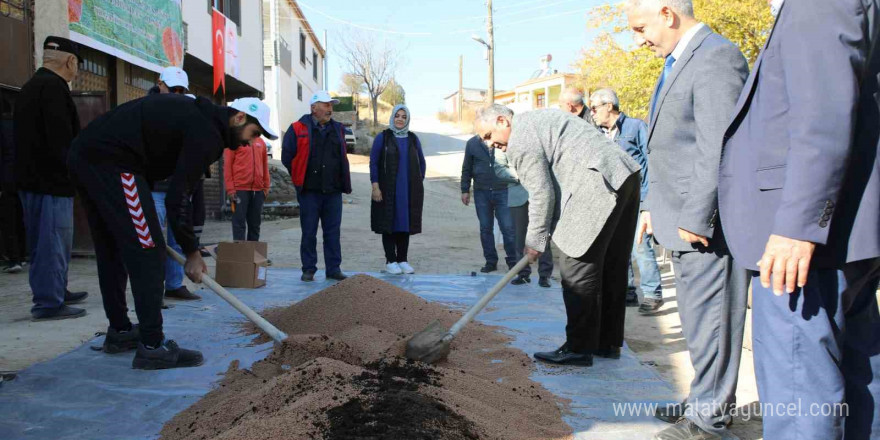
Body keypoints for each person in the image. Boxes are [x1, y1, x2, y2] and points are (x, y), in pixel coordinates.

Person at [720, 0, 880, 438]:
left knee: (800, 398)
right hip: (843, 234)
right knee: (857, 378)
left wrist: (798, 226)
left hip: (803, 243)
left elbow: (823, 116)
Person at [68, 94, 277, 369]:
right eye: (254, 132)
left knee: (113, 248)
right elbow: (177, 198)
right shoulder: (208, 133)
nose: (251, 141)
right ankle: (153, 346)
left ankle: (120, 332)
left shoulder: (201, 120)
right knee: (149, 250)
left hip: (88, 156)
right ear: (239, 118)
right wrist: (192, 252)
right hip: (114, 162)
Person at [624, 1, 749, 438]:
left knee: (713, 323)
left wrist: (699, 215)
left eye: (640, 28)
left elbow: (718, 144)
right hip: (676, 220)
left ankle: (707, 422)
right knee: (698, 325)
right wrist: (650, 209)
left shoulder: (716, 57)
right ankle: (702, 401)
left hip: (703, 227)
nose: (638, 40)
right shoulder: (680, 60)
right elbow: (671, 148)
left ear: (666, 13)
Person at [476, 104, 641, 367]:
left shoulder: (521, 139)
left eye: (488, 136)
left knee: (577, 266)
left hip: (597, 182)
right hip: (625, 175)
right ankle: (607, 343)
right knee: (611, 264)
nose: (490, 145)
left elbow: (542, 195)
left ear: (501, 121)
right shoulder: (538, 118)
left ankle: (578, 348)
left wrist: (535, 242)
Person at [13, 36, 88, 321]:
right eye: (77, 65)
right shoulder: (55, 90)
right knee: (51, 242)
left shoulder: (31, 87)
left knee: (46, 242)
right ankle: (49, 302)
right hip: (51, 184)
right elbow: (61, 142)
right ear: (70, 61)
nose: (77, 71)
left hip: (31, 181)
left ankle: (56, 289)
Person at [589, 88, 663, 314]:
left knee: (640, 247)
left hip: (638, 198)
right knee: (618, 248)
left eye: (594, 108)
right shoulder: (598, 134)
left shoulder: (636, 127)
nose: (592, 113)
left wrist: (649, 200)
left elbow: (652, 163)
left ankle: (652, 294)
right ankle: (628, 291)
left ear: (608, 106)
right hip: (613, 200)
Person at [281, 90, 352, 282]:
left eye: (331, 105)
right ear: (314, 108)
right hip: (309, 192)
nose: (330, 108)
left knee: (332, 232)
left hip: (333, 191)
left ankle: (333, 269)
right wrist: (299, 177)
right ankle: (309, 269)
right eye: (326, 104)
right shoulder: (297, 128)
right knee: (309, 231)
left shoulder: (338, 128)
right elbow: (287, 157)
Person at [149, 67, 200, 301]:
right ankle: (152, 289)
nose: (176, 94)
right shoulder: (146, 111)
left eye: (181, 90)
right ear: (160, 84)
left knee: (177, 239)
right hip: (153, 188)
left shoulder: (186, 113)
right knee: (153, 241)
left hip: (177, 188)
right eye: (173, 89)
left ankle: (174, 284)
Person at [369, 105, 426, 275]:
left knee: (404, 224)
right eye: (397, 116)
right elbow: (374, 163)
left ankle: (402, 260)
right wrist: (375, 186)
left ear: (407, 119)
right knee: (389, 223)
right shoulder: (383, 138)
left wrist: (417, 181)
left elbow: (421, 162)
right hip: (387, 189)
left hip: (408, 190)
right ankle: (390, 261)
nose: (400, 119)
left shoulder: (413, 139)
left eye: (403, 116)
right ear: (392, 117)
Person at [494, 147, 553, 287]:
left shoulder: (533, 137)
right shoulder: (502, 145)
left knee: (542, 234)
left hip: (540, 194)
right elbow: (499, 168)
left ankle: (545, 275)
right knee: (519, 238)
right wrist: (522, 176)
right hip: (517, 197)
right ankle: (523, 274)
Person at [460, 134, 516, 274]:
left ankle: (513, 262)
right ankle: (491, 262)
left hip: (503, 190)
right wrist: (465, 189)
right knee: (485, 228)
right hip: (481, 192)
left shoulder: (504, 139)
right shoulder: (472, 143)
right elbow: (467, 167)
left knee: (508, 228)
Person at [225, 135, 270, 241]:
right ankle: (241, 256)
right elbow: (227, 166)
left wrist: (266, 188)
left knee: (255, 225)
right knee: (239, 224)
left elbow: (264, 165)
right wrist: (230, 189)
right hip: (239, 191)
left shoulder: (260, 141)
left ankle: (253, 256)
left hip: (258, 191)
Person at [0, 104, 25, 274]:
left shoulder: (2, 128)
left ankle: (14, 259)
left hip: (6, 181)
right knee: (21, 218)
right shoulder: (22, 127)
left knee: (8, 220)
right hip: (24, 180)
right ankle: (22, 256)